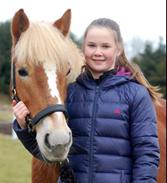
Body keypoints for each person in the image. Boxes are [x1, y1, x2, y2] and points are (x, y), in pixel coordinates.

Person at [12, 18, 161, 183]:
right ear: (84, 48)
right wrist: (24, 128)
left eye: (105, 46)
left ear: (118, 49)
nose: (98, 52)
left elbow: (146, 153)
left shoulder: (136, 95)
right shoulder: (71, 94)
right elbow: (50, 151)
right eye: (92, 46)